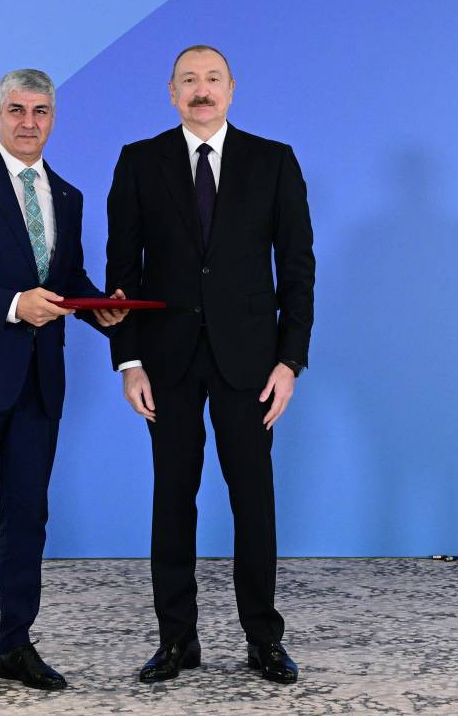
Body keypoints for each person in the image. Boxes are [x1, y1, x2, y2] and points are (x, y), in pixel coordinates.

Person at [106, 45, 315, 685]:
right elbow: (122, 268)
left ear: (232, 89)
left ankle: (263, 639)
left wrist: (290, 361)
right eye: (190, 80)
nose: (202, 90)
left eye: (213, 79)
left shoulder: (273, 161)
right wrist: (129, 360)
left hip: (250, 363)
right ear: (171, 92)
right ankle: (176, 640)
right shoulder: (139, 161)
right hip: (164, 361)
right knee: (172, 500)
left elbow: (297, 268)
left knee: (253, 501)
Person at [0, 68, 126, 701]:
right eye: (17, 109)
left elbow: (67, 280)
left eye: (40, 111)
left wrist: (100, 308)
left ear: (53, 119)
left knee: (27, 519)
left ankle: (15, 644)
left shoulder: (67, 195)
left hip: (39, 384)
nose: (28, 121)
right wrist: (13, 305)